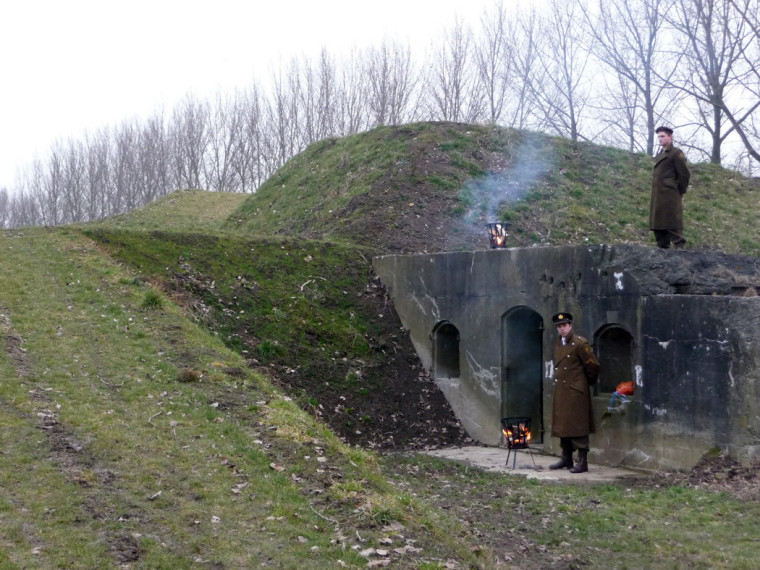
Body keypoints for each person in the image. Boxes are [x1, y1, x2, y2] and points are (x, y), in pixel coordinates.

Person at [549, 312, 599, 474]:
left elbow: (593, 366)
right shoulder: (559, 343)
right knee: (564, 425)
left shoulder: (579, 343)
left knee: (578, 426)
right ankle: (566, 458)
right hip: (563, 390)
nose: (562, 329)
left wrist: (583, 384)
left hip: (576, 392)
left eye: (564, 326)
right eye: (559, 326)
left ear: (570, 326)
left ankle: (582, 462)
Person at [650, 125, 690, 249]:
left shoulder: (676, 153)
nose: (660, 139)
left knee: (672, 223)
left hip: (670, 195)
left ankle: (680, 253)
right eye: (659, 137)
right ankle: (663, 252)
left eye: (662, 136)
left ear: (670, 137)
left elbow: (684, 174)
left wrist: (681, 191)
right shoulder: (661, 154)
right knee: (659, 225)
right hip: (658, 194)